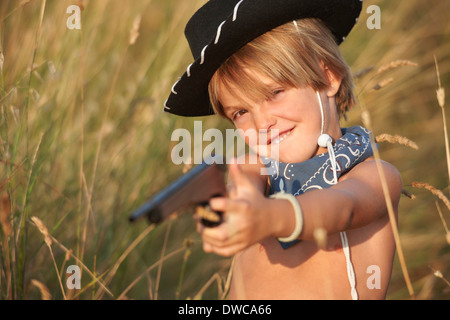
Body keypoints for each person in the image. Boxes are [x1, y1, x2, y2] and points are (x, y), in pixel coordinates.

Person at [163, 0, 402, 300]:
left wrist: (272, 216)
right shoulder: (256, 172)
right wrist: (225, 214)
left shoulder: (376, 178)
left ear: (327, 77)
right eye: (240, 112)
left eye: (275, 93)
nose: (262, 122)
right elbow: (244, 184)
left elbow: (344, 208)